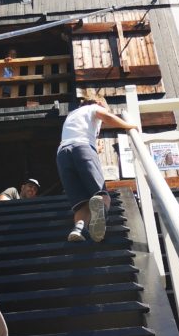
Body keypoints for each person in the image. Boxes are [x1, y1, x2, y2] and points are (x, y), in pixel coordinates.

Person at [56, 90, 138, 243]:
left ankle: (78, 228)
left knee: (81, 203)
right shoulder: (94, 108)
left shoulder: (72, 114)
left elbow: (74, 139)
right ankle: (101, 215)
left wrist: (96, 149)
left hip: (62, 154)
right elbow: (107, 117)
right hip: (83, 147)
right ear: (100, 103)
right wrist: (129, 126)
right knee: (102, 195)